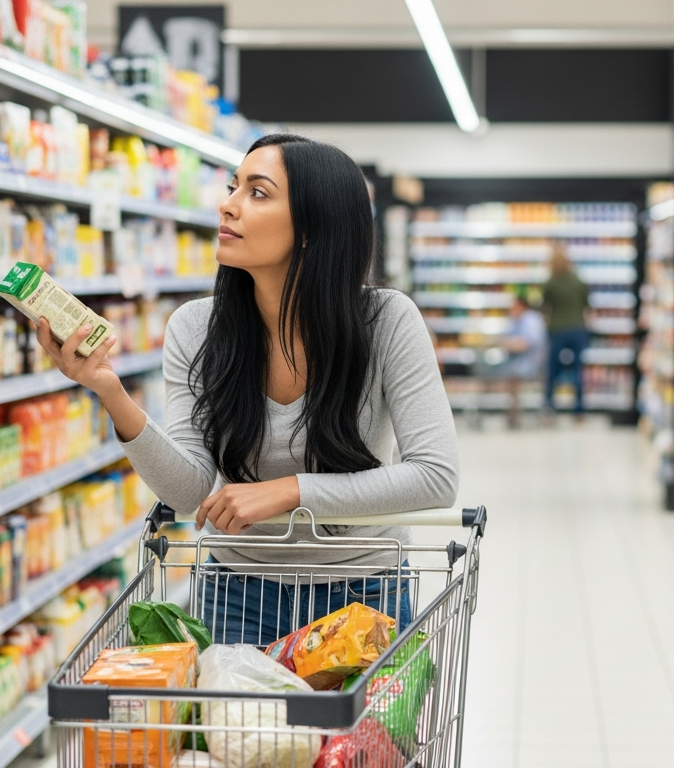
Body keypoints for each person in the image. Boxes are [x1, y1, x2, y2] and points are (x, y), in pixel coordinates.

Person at [37, 133, 459, 644]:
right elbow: (189, 490)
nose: (227, 205)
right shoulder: (196, 327)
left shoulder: (387, 321)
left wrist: (288, 492)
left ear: (311, 227)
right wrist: (110, 391)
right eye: (234, 187)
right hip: (237, 590)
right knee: (238, 727)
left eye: (257, 193)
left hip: (363, 590)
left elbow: (435, 476)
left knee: (354, 729)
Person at [540, 242, 591, 418]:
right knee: (577, 370)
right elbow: (586, 304)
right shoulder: (578, 281)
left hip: (557, 329)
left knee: (553, 369)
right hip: (578, 328)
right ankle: (579, 411)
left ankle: (549, 408)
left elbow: (544, 305)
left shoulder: (550, 283)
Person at [494, 295, 547, 428]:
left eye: (514, 306)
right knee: (505, 373)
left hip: (531, 362)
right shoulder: (514, 320)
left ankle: (514, 413)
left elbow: (526, 343)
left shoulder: (532, 320)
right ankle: (513, 413)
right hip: (515, 361)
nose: (511, 309)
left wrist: (508, 344)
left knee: (514, 376)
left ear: (522, 306)